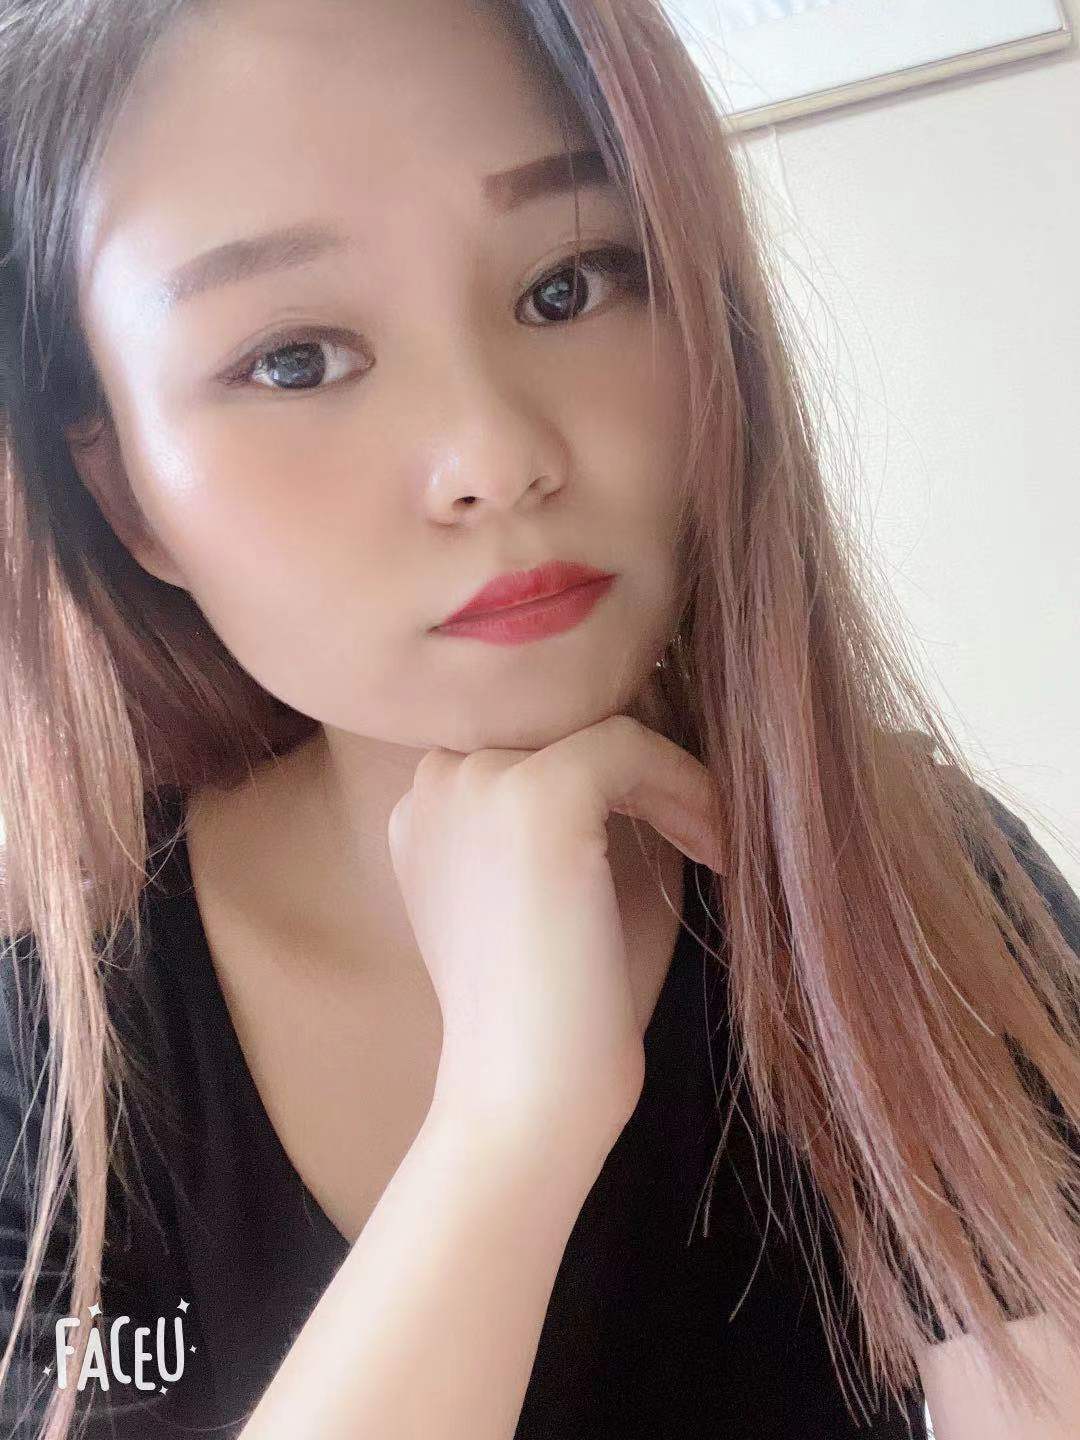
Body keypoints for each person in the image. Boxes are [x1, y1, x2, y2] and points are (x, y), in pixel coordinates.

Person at [0, 1, 1078, 1437]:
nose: (494, 455)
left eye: (569, 286)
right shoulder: (51, 1052)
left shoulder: (919, 880)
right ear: (122, 490)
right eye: (294, 359)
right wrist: (509, 1128)